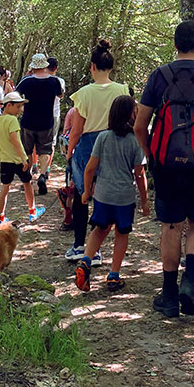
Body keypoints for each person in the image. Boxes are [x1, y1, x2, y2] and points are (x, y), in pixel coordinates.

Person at [134, 20, 194, 318]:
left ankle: (168, 295)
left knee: (171, 226)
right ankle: (190, 282)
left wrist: (152, 154)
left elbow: (140, 125)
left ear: (174, 44)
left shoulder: (159, 76)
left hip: (166, 166)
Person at [74, 95, 150, 292]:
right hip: (124, 196)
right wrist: (144, 201)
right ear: (133, 115)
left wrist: (86, 191)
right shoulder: (135, 141)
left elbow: (90, 168)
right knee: (121, 233)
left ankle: (85, 261)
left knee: (99, 228)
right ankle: (114, 275)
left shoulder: (103, 137)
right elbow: (140, 175)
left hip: (102, 194)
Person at [65, 40, 129, 264]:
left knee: (83, 195)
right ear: (111, 67)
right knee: (103, 197)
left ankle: (80, 245)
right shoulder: (122, 90)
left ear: (92, 67)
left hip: (88, 145)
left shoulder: (83, 94)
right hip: (114, 144)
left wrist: (70, 150)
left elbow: (77, 129)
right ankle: (97, 249)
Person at [16, 54, 64, 195]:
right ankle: (42, 175)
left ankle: (28, 177)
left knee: (28, 151)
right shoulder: (54, 81)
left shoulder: (26, 81)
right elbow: (60, 95)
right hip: (46, 122)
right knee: (45, 150)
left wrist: (22, 106)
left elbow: (15, 95)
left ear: (33, 66)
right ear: (45, 66)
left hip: (28, 122)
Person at [0, 91, 45, 225]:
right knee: (27, 184)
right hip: (18, 160)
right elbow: (15, 141)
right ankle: (32, 212)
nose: (20, 110)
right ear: (9, 105)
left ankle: (0, 218)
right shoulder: (12, 120)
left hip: (5, 159)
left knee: (5, 187)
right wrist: (24, 159)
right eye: (17, 107)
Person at [57, 106, 78, 231]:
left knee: (72, 186)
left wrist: (68, 154)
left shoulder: (73, 111)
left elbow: (66, 133)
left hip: (73, 151)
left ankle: (68, 218)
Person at [47, 57, 66, 173]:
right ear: (56, 68)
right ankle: (47, 168)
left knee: (36, 141)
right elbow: (61, 95)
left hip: (41, 113)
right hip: (54, 113)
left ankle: (34, 166)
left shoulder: (40, 79)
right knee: (51, 142)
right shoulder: (60, 81)